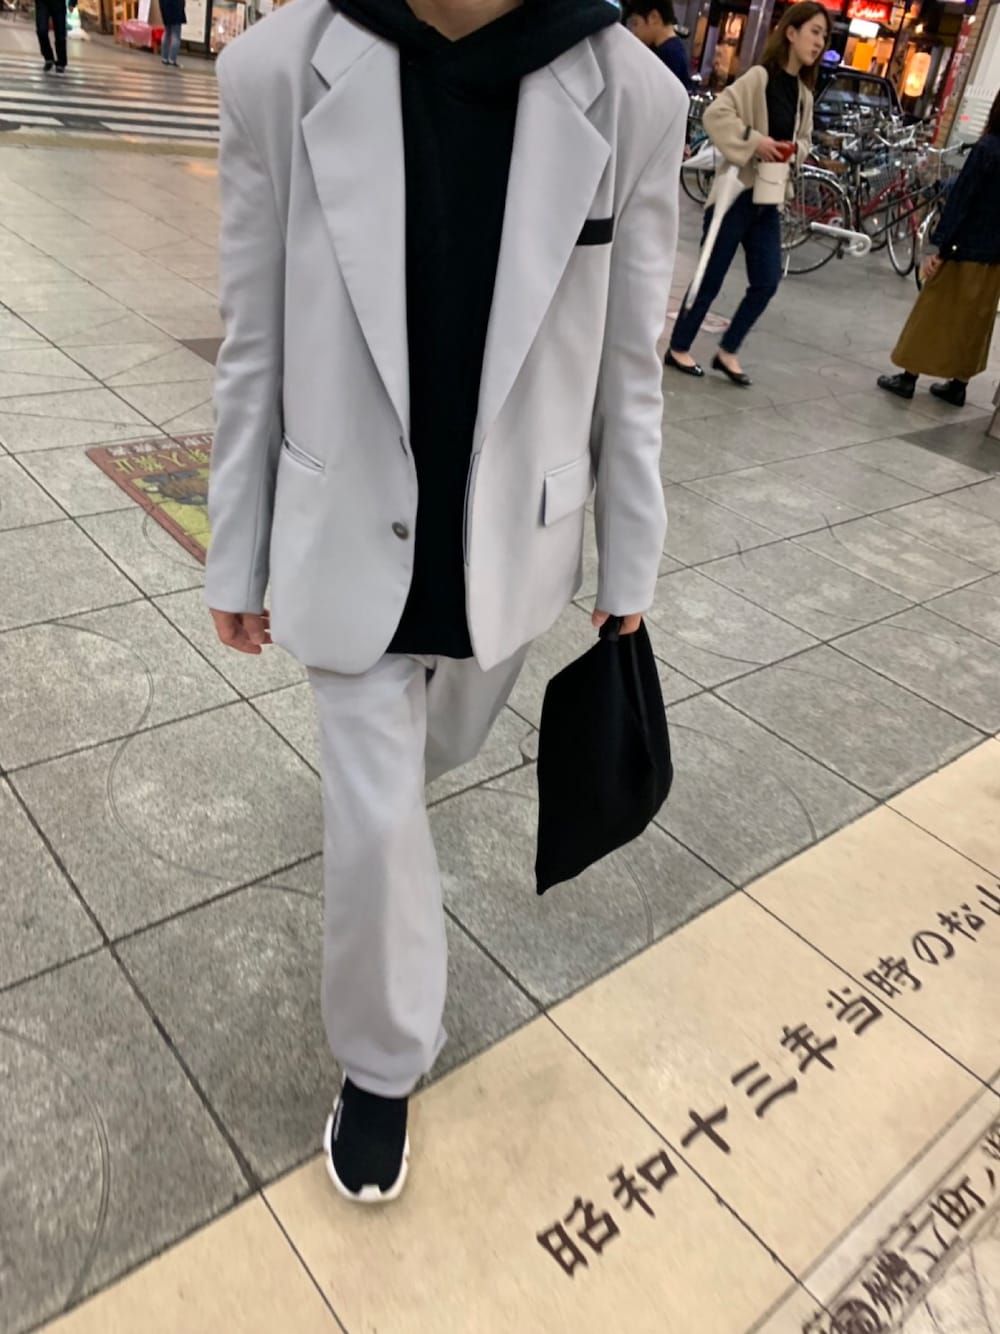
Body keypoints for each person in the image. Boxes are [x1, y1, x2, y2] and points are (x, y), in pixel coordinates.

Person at [206, 0, 686, 1205]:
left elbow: (630, 368)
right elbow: (251, 339)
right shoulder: (276, 71)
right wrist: (236, 553)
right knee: (377, 815)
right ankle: (382, 1063)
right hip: (341, 520)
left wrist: (628, 565)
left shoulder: (633, 96)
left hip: (513, 541)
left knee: (431, 755)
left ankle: (389, 823)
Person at [666, 0, 829, 385]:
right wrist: (756, 142)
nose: (820, 42)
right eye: (815, 32)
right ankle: (678, 347)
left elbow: (805, 140)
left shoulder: (804, 95)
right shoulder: (759, 78)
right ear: (791, 33)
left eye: (824, 36)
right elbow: (716, 114)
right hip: (736, 193)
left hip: (769, 198)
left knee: (767, 279)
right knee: (710, 277)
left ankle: (728, 350)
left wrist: (792, 150)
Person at [878, 89, 1000, 410]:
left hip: (964, 248)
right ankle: (958, 385)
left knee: (931, 314)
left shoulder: (988, 148)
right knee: (974, 323)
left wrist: (938, 246)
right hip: (994, 257)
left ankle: (908, 377)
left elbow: (962, 200)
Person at [625, 0, 693, 92]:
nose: (633, 31)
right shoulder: (670, 49)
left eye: (635, 23)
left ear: (654, 17)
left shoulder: (669, 54)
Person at [35, 0, 68, 72]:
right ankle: (48, 57)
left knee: (60, 34)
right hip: (42, 2)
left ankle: (61, 62)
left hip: (59, 3)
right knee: (41, 30)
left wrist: (73, 2)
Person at [160, 0, 186, 66]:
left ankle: (164, 58)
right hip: (176, 4)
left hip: (165, 4)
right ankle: (172, 59)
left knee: (167, 32)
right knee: (176, 34)